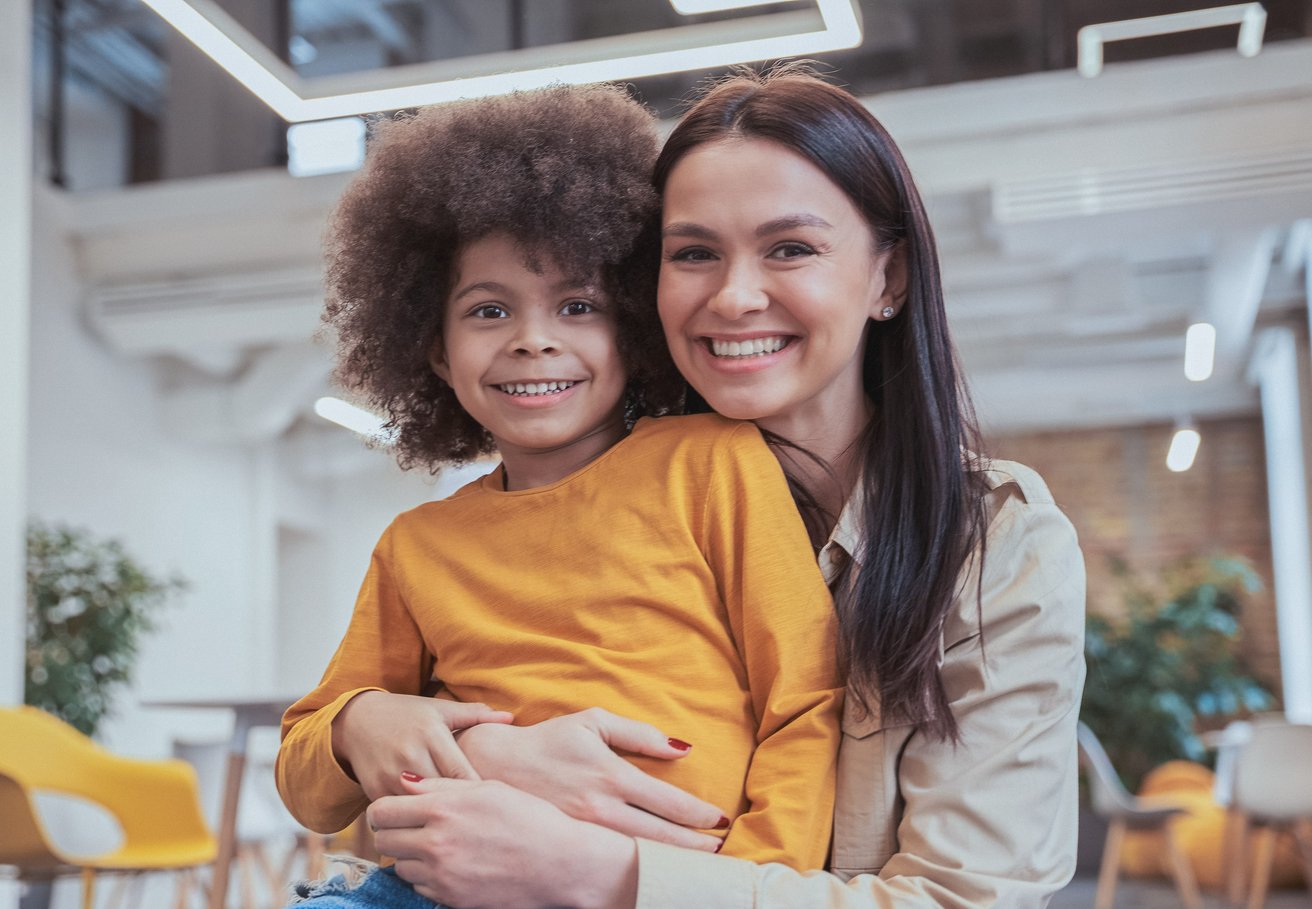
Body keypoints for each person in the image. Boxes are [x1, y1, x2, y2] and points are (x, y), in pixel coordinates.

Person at [364, 67, 1087, 909]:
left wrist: (606, 873)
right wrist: (385, 730)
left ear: (887, 280)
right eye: (694, 253)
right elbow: (423, 831)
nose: (736, 296)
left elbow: (966, 900)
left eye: (791, 248)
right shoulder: (570, 509)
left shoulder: (992, 540)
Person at [275, 82, 846, 905]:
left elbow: (805, 699)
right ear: (432, 349)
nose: (533, 338)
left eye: (577, 305)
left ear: (633, 329)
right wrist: (364, 720)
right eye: (489, 309)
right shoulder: (417, 544)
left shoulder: (713, 463)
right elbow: (307, 778)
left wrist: (748, 882)